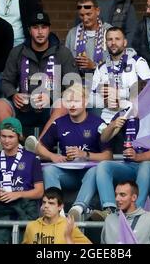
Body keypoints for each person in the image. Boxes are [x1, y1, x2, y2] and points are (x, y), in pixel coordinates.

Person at [0, 11, 79, 131]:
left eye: (44, 27)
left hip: (51, 108)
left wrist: (52, 97)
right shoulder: (17, 52)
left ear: (49, 29)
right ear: (29, 30)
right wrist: (13, 94)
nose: (40, 32)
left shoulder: (62, 53)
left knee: (63, 105)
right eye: (35, 27)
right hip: (23, 106)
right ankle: (15, 142)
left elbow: (73, 86)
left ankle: (41, 144)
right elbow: (6, 80)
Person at [37, 84, 112, 221]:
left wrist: (85, 155)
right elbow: (38, 146)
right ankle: (57, 212)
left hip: (90, 174)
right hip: (68, 173)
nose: (72, 105)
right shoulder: (59, 123)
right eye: (69, 101)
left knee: (95, 170)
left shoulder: (98, 123)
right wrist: (53, 156)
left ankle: (77, 208)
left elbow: (108, 156)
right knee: (49, 170)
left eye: (76, 101)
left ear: (85, 101)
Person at [92, 81, 150, 221]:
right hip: (129, 166)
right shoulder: (125, 114)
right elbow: (104, 139)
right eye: (134, 98)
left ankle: (136, 211)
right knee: (103, 166)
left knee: (147, 165)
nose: (137, 102)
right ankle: (110, 209)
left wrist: (137, 156)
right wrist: (112, 126)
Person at [0, 117, 44, 244]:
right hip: (2, 211)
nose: (6, 140)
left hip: (27, 211)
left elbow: (39, 191)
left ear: (19, 136)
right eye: (3, 136)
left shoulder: (32, 159)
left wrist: (17, 194)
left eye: (11, 137)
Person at [91, 27, 150, 123]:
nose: (113, 42)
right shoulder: (101, 68)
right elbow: (91, 97)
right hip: (107, 119)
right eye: (110, 39)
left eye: (117, 39)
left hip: (133, 116)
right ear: (106, 44)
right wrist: (105, 101)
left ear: (125, 42)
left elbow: (149, 90)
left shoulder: (138, 62)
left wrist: (118, 94)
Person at [101, 180, 150, 244]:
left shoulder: (149, 220)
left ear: (134, 197)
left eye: (122, 195)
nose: (117, 199)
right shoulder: (109, 220)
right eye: (116, 195)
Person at [22, 187, 91, 244]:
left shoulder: (68, 225)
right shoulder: (31, 226)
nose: (46, 206)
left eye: (51, 203)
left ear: (60, 207)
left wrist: (68, 237)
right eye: (44, 202)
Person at [65, 0, 112, 75]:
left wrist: (94, 66)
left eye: (88, 14)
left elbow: (117, 62)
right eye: (81, 15)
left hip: (103, 82)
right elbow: (65, 62)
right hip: (78, 82)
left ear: (97, 11)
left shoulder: (110, 32)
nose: (85, 19)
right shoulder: (72, 34)